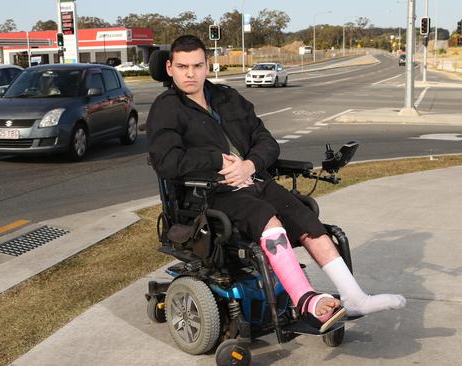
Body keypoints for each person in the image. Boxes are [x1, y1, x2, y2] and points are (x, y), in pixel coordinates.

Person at [147, 35, 405, 330]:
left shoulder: (228, 98)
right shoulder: (166, 109)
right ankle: (306, 300)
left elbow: (267, 142)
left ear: (208, 66)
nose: (190, 73)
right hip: (207, 194)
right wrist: (216, 161)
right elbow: (167, 163)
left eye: (197, 65)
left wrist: (251, 164)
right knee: (266, 218)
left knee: (305, 217)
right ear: (169, 68)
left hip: (254, 179)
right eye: (182, 66)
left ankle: (354, 296)